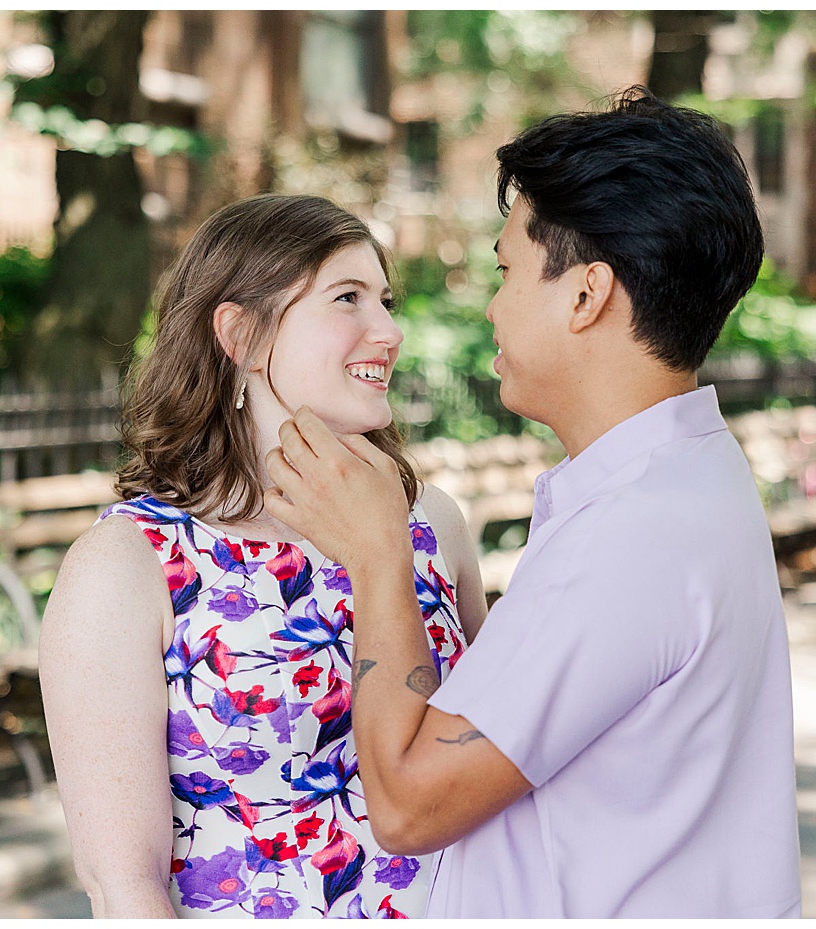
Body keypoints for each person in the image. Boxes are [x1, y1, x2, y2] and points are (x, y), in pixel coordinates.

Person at [263, 88, 801, 917]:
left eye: (507, 271)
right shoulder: (687, 475)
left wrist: (377, 556)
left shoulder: (633, 535)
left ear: (587, 294)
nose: (491, 306)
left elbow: (408, 805)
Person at [39, 194, 489, 918]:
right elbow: (127, 887)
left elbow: (487, 758)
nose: (390, 330)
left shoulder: (433, 524)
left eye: (386, 300)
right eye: (347, 298)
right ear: (241, 335)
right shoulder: (126, 564)